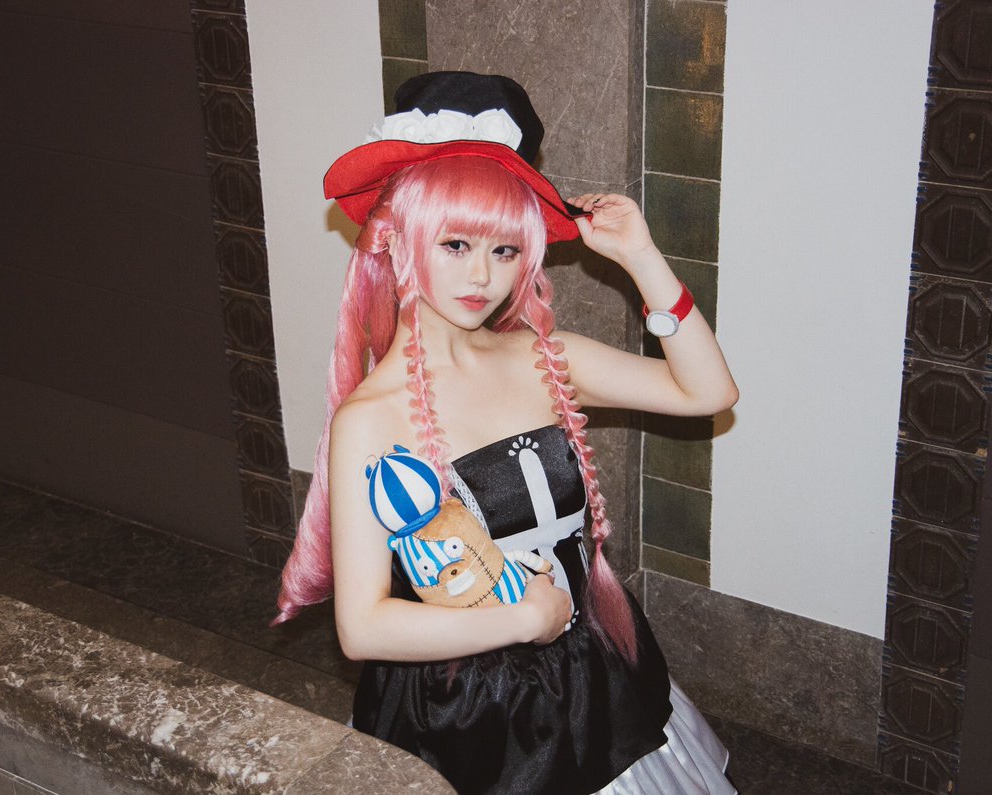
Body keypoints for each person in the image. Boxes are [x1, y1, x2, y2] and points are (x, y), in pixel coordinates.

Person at [273, 71, 739, 794]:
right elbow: (362, 628)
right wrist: (523, 619)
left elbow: (708, 391)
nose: (482, 277)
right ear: (400, 240)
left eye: (505, 250)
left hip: (593, 673)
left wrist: (642, 258)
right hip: (464, 715)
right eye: (456, 243)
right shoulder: (371, 417)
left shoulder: (544, 358)